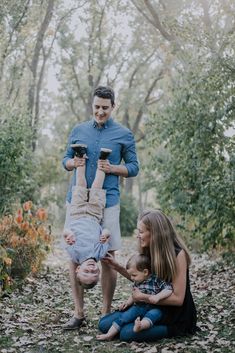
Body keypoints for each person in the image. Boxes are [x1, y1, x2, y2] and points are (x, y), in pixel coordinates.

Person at [62, 86, 139, 329]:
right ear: (92, 105)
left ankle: (105, 313)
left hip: (109, 201)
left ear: (113, 107)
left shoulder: (124, 134)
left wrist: (113, 169)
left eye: (105, 108)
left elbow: (134, 167)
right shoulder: (78, 130)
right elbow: (65, 160)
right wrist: (72, 163)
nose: (100, 111)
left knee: (107, 256)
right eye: (96, 107)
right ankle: (79, 314)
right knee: (74, 256)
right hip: (76, 201)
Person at [98, 209, 197, 342]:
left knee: (126, 333)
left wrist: (143, 297)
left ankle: (163, 329)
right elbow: (145, 280)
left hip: (173, 315)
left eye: (141, 231)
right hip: (149, 307)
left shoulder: (178, 255)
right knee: (104, 324)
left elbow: (177, 299)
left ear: (155, 233)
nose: (138, 235)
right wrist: (117, 266)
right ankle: (137, 323)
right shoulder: (149, 250)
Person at [63, 144, 112, 289]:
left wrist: (69, 234)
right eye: (94, 272)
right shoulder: (100, 253)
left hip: (77, 213)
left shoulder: (74, 254)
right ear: (99, 271)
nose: (91, 268)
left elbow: (65, 232)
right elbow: (107, 231)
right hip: (94, 215)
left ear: (78, 269)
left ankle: (80, 155)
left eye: (86, 272)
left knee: (80, 184)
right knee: (97, 186)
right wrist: (105, 234)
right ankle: (103, 159)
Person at [96, 253, 172, 340]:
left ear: (145, 272)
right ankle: (109, 335)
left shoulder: (156, 280)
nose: (132, 278)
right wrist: (127, 303)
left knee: (153, 315)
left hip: (155, 307)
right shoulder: (137, 281)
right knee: (124, 317)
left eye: (134, 275)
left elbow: (168, 289)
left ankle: (140, 326)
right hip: (139, 307)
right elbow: (134, 295)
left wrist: (158, 296)